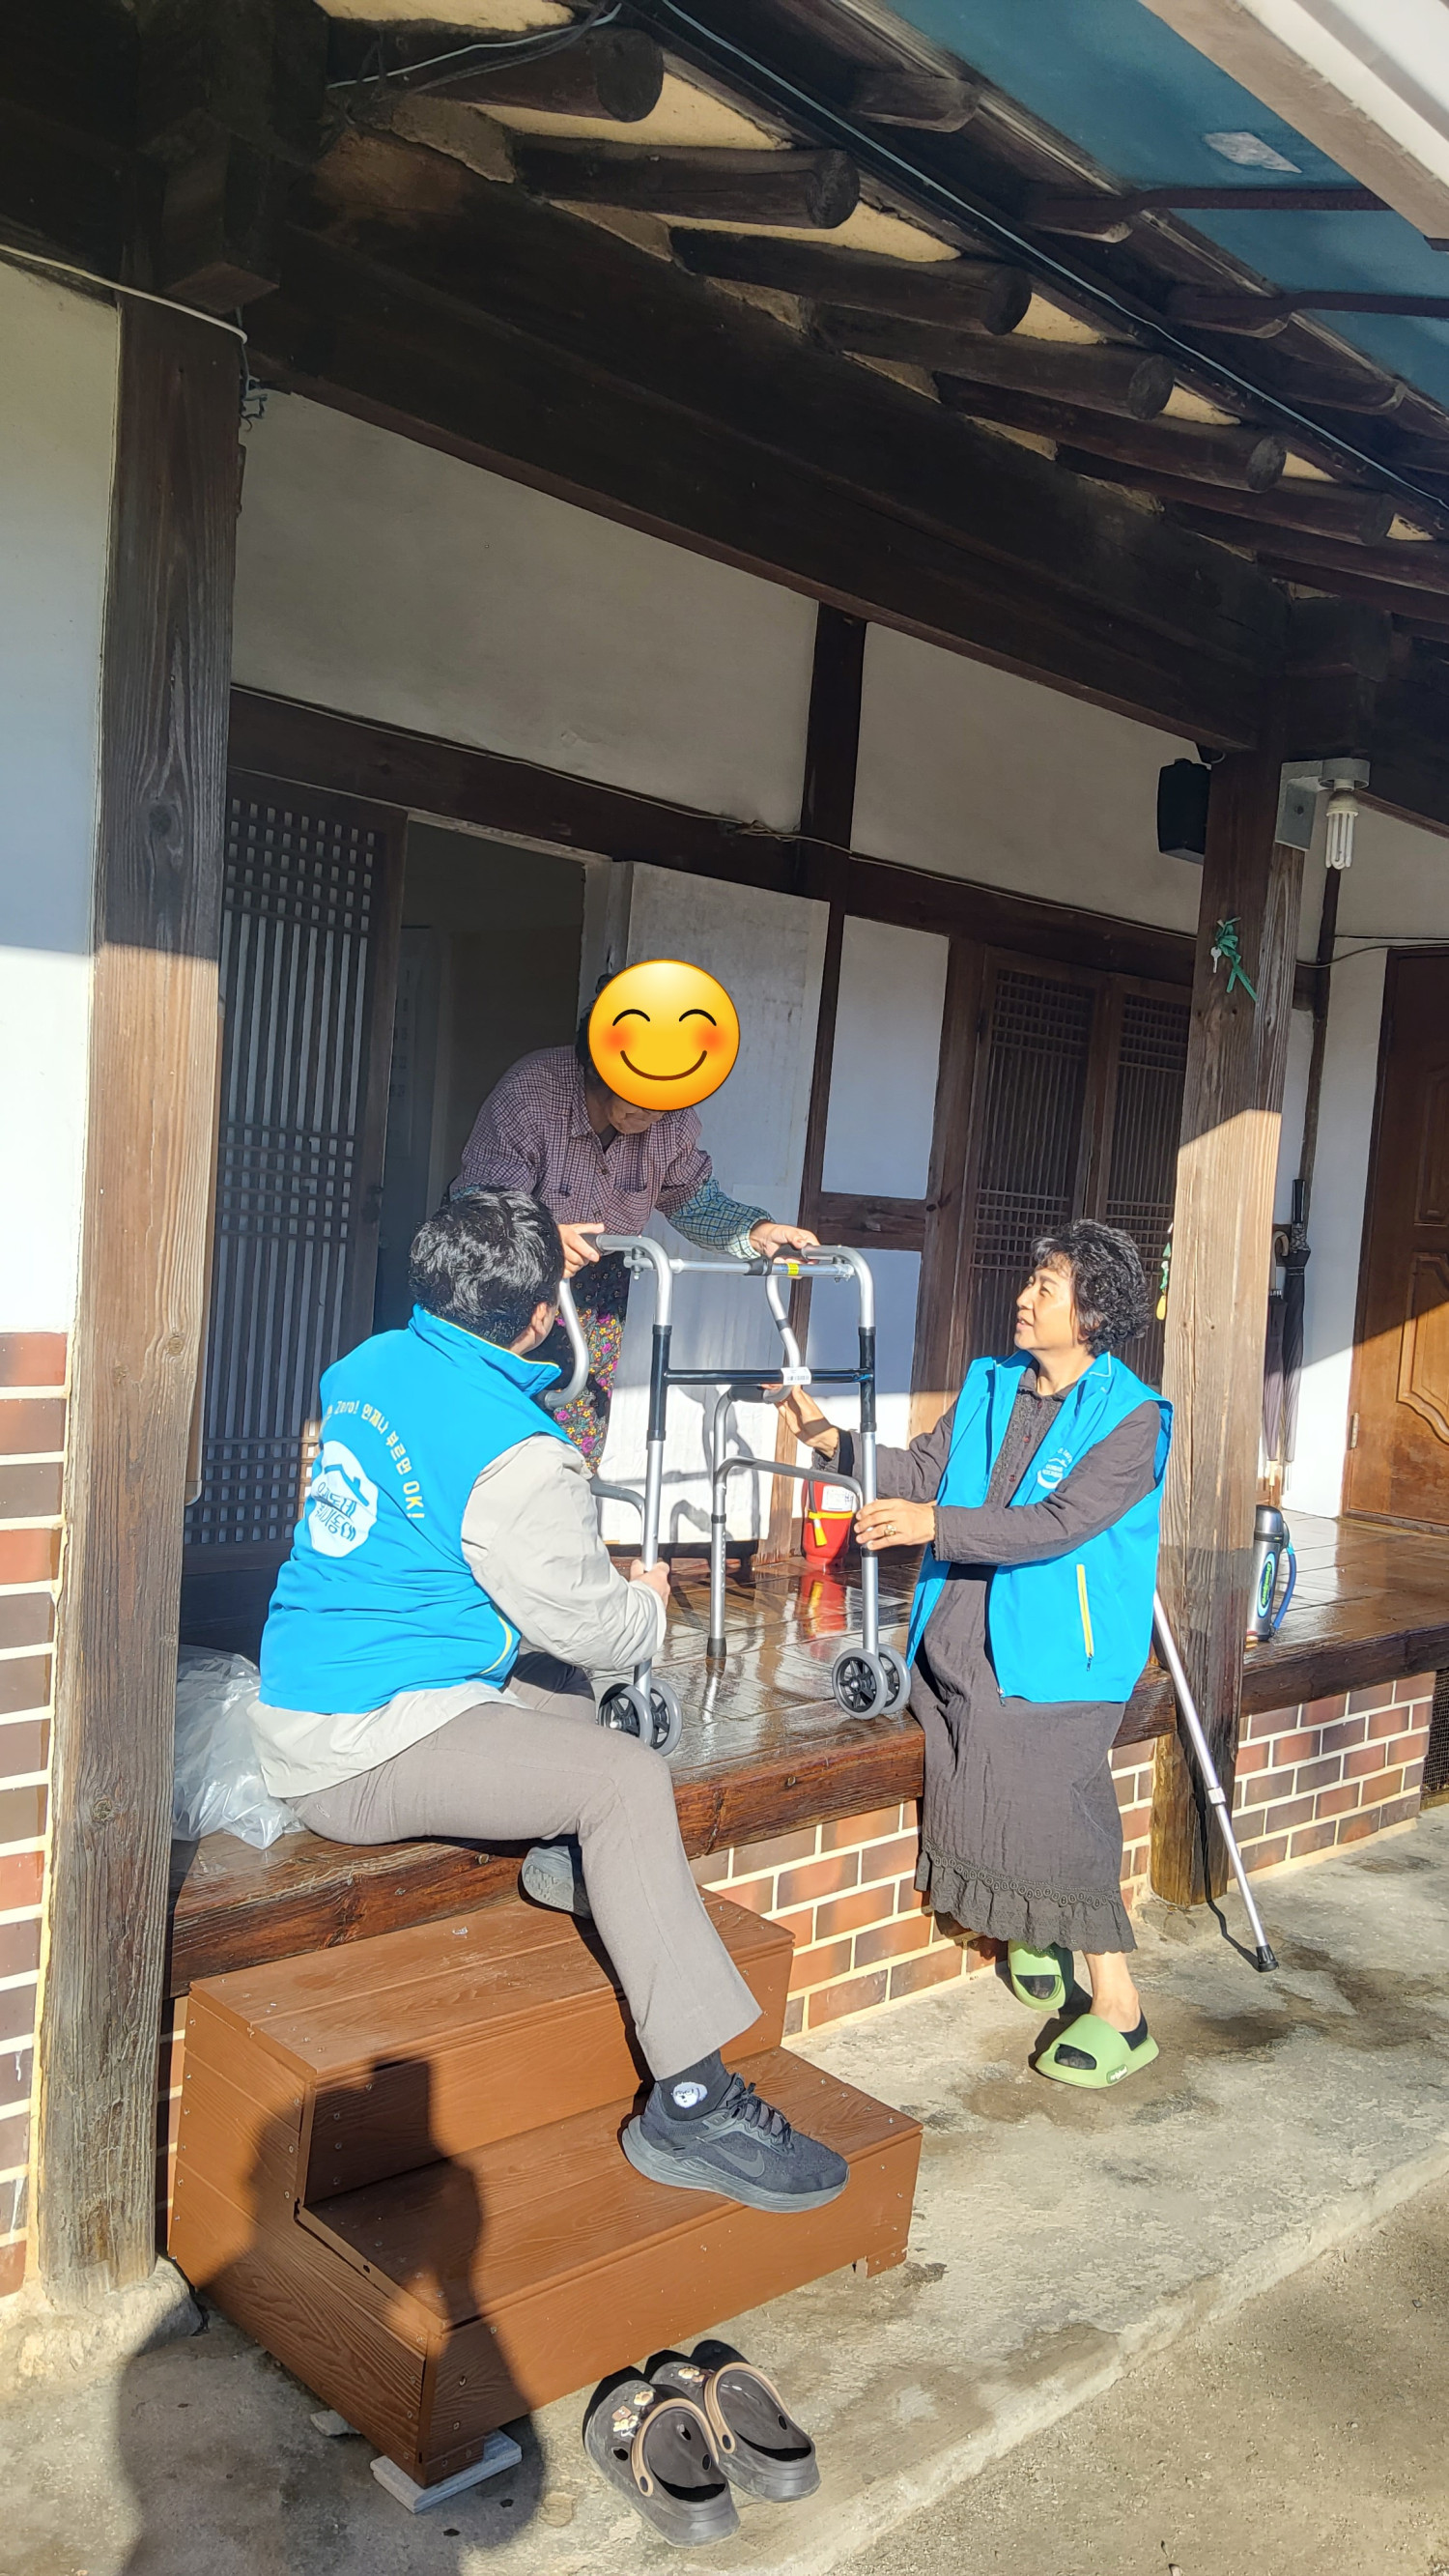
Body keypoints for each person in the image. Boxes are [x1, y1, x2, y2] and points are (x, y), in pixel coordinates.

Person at [253, 1190, 846, 2210]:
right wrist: (648, 1600)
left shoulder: (366, 1366)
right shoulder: (518, 1449)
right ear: (541, 1318)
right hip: (359, 1747)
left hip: (320, 1685)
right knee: (624, 1776)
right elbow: (599, 1628)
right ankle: (692, 2102)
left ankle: (573, 1860)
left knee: (559, 1678)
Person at [775, 1220, 1172, 2091]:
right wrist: (831, 1441)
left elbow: (1056, 1526)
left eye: (1046, 1288)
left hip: (1061, 1652)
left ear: (1092, 1313)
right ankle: (1032, 1926)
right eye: (1031, 1281)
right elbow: (925, 1471)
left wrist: (932, 1527)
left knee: (1052, 1789)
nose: (1023, 1299)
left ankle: (1121, 2007)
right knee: (953, 1733)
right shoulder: (992, 1381)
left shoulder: (1132, 1416)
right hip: (959, 1628)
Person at [452, 1013, 818, 1462]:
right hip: (505, 1271)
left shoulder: (671, 1121)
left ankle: (568, 1492)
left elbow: (692, 1200)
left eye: (664, 1102)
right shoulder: (531, 1091)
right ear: (598, 1066)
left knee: (576, 1423)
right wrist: (543, 1239)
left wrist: (759, 1233)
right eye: (640, 1097)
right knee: (488, 1417)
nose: (651, 1114)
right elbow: (480, 1204)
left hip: (597, 1282)